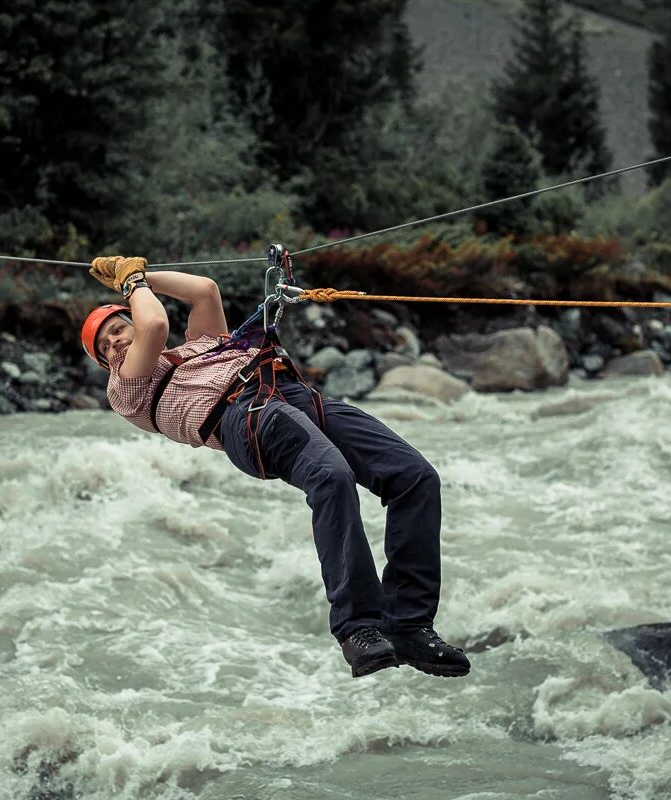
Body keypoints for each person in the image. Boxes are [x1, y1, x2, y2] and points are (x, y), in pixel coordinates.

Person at [81, 255, 470, 679]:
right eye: (103, 347)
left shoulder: (200, 344)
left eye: (117, 330)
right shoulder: (127, 386)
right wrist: (131, 282)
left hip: (294, 396)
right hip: (246, 417)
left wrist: (137, 275)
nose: (114, 344)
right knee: (332, 476)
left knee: (414, 477)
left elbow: (204, 290)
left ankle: (411, 625)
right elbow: (154, 326)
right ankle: (358, 628)